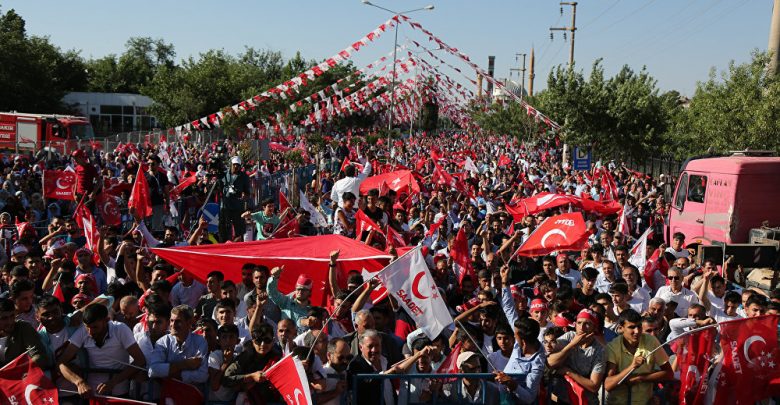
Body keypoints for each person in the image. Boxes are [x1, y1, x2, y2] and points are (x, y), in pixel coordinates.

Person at [58, 303, 146, 397]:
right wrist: (79, 382)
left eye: (95, 327)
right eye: (87, 327)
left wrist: (113, 382)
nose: (90, 332)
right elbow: (61, 363)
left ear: (106, 321)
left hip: (119, 393)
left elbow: (140, 360)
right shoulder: (83, 331)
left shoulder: (120, 329)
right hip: (92, 394)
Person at [604, 309, 673, 404]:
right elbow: (608, 384)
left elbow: (669, 373)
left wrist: (641, 378)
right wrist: (632, 367)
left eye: (639, 326)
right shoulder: (613, 347)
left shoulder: (651, 341)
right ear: (621, 328)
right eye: (631, 327)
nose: (637, 331)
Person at [546, 308, 606, 404]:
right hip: (561, 399)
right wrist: (572, 345)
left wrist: (568, 372)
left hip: (585, 401)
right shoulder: (569, 337)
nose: (582, 327)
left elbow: (594, 386)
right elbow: (550, 363)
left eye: (587, 323)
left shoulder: (599, 350)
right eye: (579, 323)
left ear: (594, 327)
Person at [222, 323, 283, 405]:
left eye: (267, 340)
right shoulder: (245, 357)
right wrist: (251, 377)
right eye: (258, 340)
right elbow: (226, 379)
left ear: (273, 341)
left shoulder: (277, 358)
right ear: (253, 342)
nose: (262, 344)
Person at [148, 305, 209, 385]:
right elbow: (153, 370)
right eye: (172, 321)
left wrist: (169, 374)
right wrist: (184, 364)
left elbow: (202, 375)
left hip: (192, 393)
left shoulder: (200, 342)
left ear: (189, 323)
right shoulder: (163, 342)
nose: (173, 325)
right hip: (168, 392)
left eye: (178, 321)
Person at [346, 329, 394, 405]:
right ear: (360, 347)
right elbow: (363, 385)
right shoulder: (355, 365)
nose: (374, 350)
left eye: (377, 345)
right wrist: (385, 374)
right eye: (370, 346)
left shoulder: (385, 361)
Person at [0, 296, 49, 368]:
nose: (10, 322)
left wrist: (16, 370)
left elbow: (39, 356)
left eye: (12, 316)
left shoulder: (23, 328)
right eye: (4, 318)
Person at [220, 156, 250, 242]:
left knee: (239, 228)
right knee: (226, 228)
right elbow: (219, 186)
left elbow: (247, 192)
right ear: (231, 165)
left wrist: (245, 195)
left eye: (238, 165)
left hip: (237, 206)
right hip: (225, 205)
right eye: (234, 165)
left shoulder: (244, 177)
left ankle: (239, 244)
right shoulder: (224, 174)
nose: (236, 167)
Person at [319, 338, 351, 405]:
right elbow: (312, 400)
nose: (345, 361)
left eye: (348, 358)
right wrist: (335, 392)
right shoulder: (320, 374)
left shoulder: (348, 374)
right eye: (340, 358)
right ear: (329, 355)